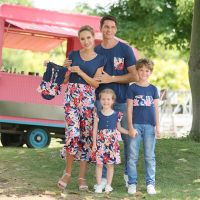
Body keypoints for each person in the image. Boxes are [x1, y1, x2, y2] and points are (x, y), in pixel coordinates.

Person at [57, 25, 106, 190]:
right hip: (71, 99)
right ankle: (67, 172)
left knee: (85, 139)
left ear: (93, 37)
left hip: (87, 101)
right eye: (82, 38)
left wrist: (81, 72)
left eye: (88, 38)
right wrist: (66, 69)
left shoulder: (101, 59)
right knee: (73, 135)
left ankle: (82, 177)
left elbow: (95, 84)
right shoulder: (73, 55)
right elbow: (64, 81)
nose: (86, 41)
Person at [94, 15, 138, 188]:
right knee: (102, 140)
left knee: (128, 138)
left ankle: (129, 175)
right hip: (102, 104)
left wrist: (111, 78)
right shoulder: (96, 51)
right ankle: (103, 178)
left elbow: (134, 75)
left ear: (116, 29)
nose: (109, 30)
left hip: (121, 102)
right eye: (106, 27)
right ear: (101, 28)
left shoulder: (125, 50)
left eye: (112, 27)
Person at [126, 58, 161, 195]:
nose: (144, 73)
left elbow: (157, 109)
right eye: (141, 70)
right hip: (136, 126)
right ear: (137, 71)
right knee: (133, 156)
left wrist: (158, 126)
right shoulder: (132, 88)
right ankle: (132, 183)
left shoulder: (153, 89)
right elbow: (129, 109)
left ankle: (150, 183)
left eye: (147, 71)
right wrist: (130, 127)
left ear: (150, 72)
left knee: (149, 156)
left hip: (150, 127)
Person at [91, 89, 128, 193]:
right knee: (99, 164)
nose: (105, 101)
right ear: (100, 100)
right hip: (100, 142)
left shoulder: (117, 114)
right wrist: (94, 143)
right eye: (103, 99)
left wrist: (128, 132)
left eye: (108, 99)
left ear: (112, 101)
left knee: (110, 164)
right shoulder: (97, 114)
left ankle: (108, 185)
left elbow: (119, 128)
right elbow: (94, 130)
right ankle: (98, 185)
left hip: (112, 143)